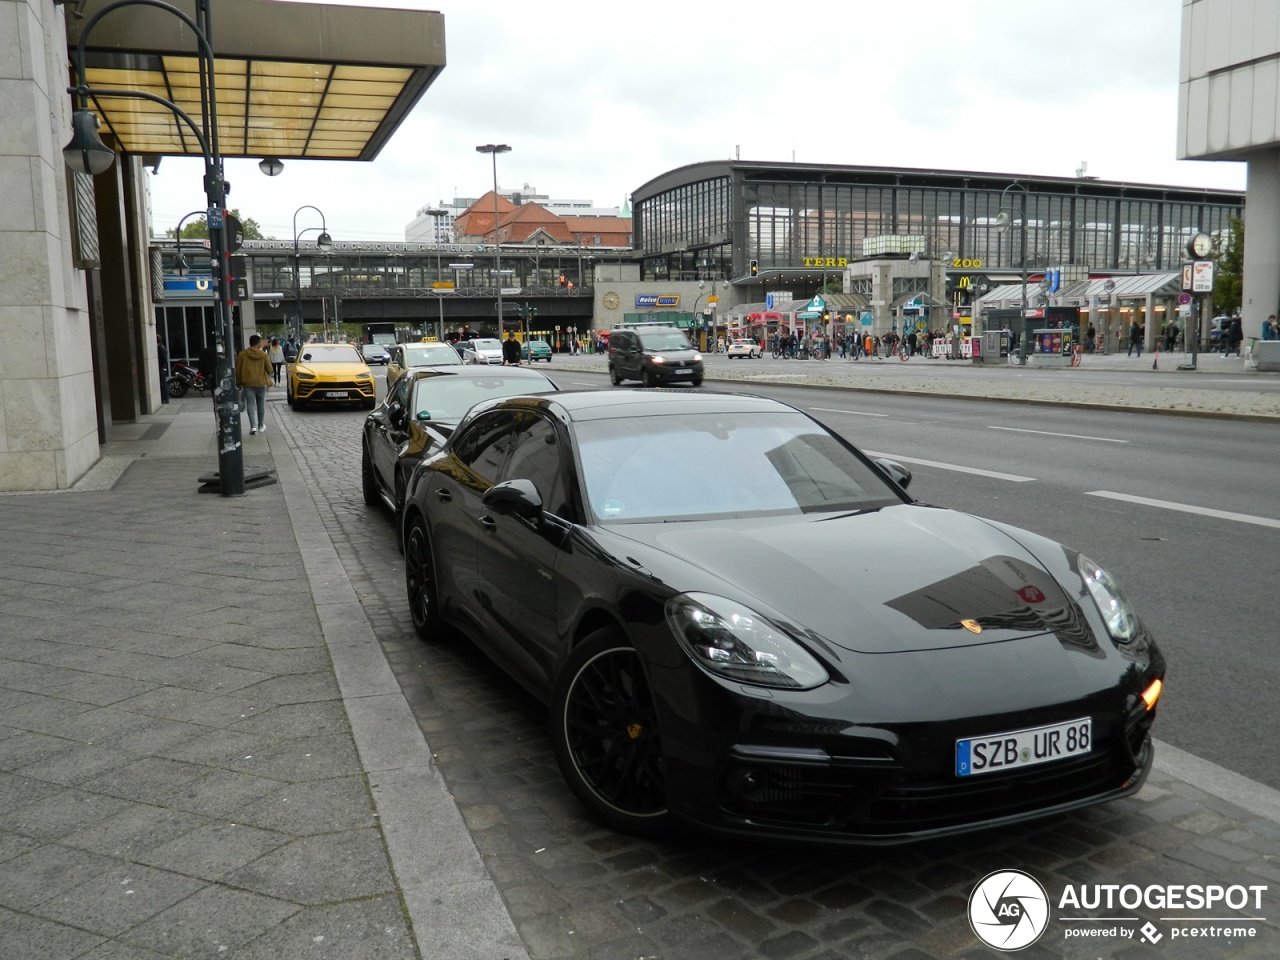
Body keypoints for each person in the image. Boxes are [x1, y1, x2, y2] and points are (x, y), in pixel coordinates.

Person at [235, 334, 273, 435]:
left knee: (250, 405)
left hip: (247, 383)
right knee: (260, 404)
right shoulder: (264, 355)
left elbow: (238, 371)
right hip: (261, 383)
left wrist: (238, 383)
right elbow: (270, 369)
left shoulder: (242, 354)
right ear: (259, 343)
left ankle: (253, 426)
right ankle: (261, 425)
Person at [156, 333, 170, 404]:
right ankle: (164, 398)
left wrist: (160, 366)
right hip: (162, 368)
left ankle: (165, 398)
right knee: (162, 383)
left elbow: (163, 359)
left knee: (163, 383)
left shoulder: (160, 348)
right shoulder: (161, 347)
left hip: (161, 368)